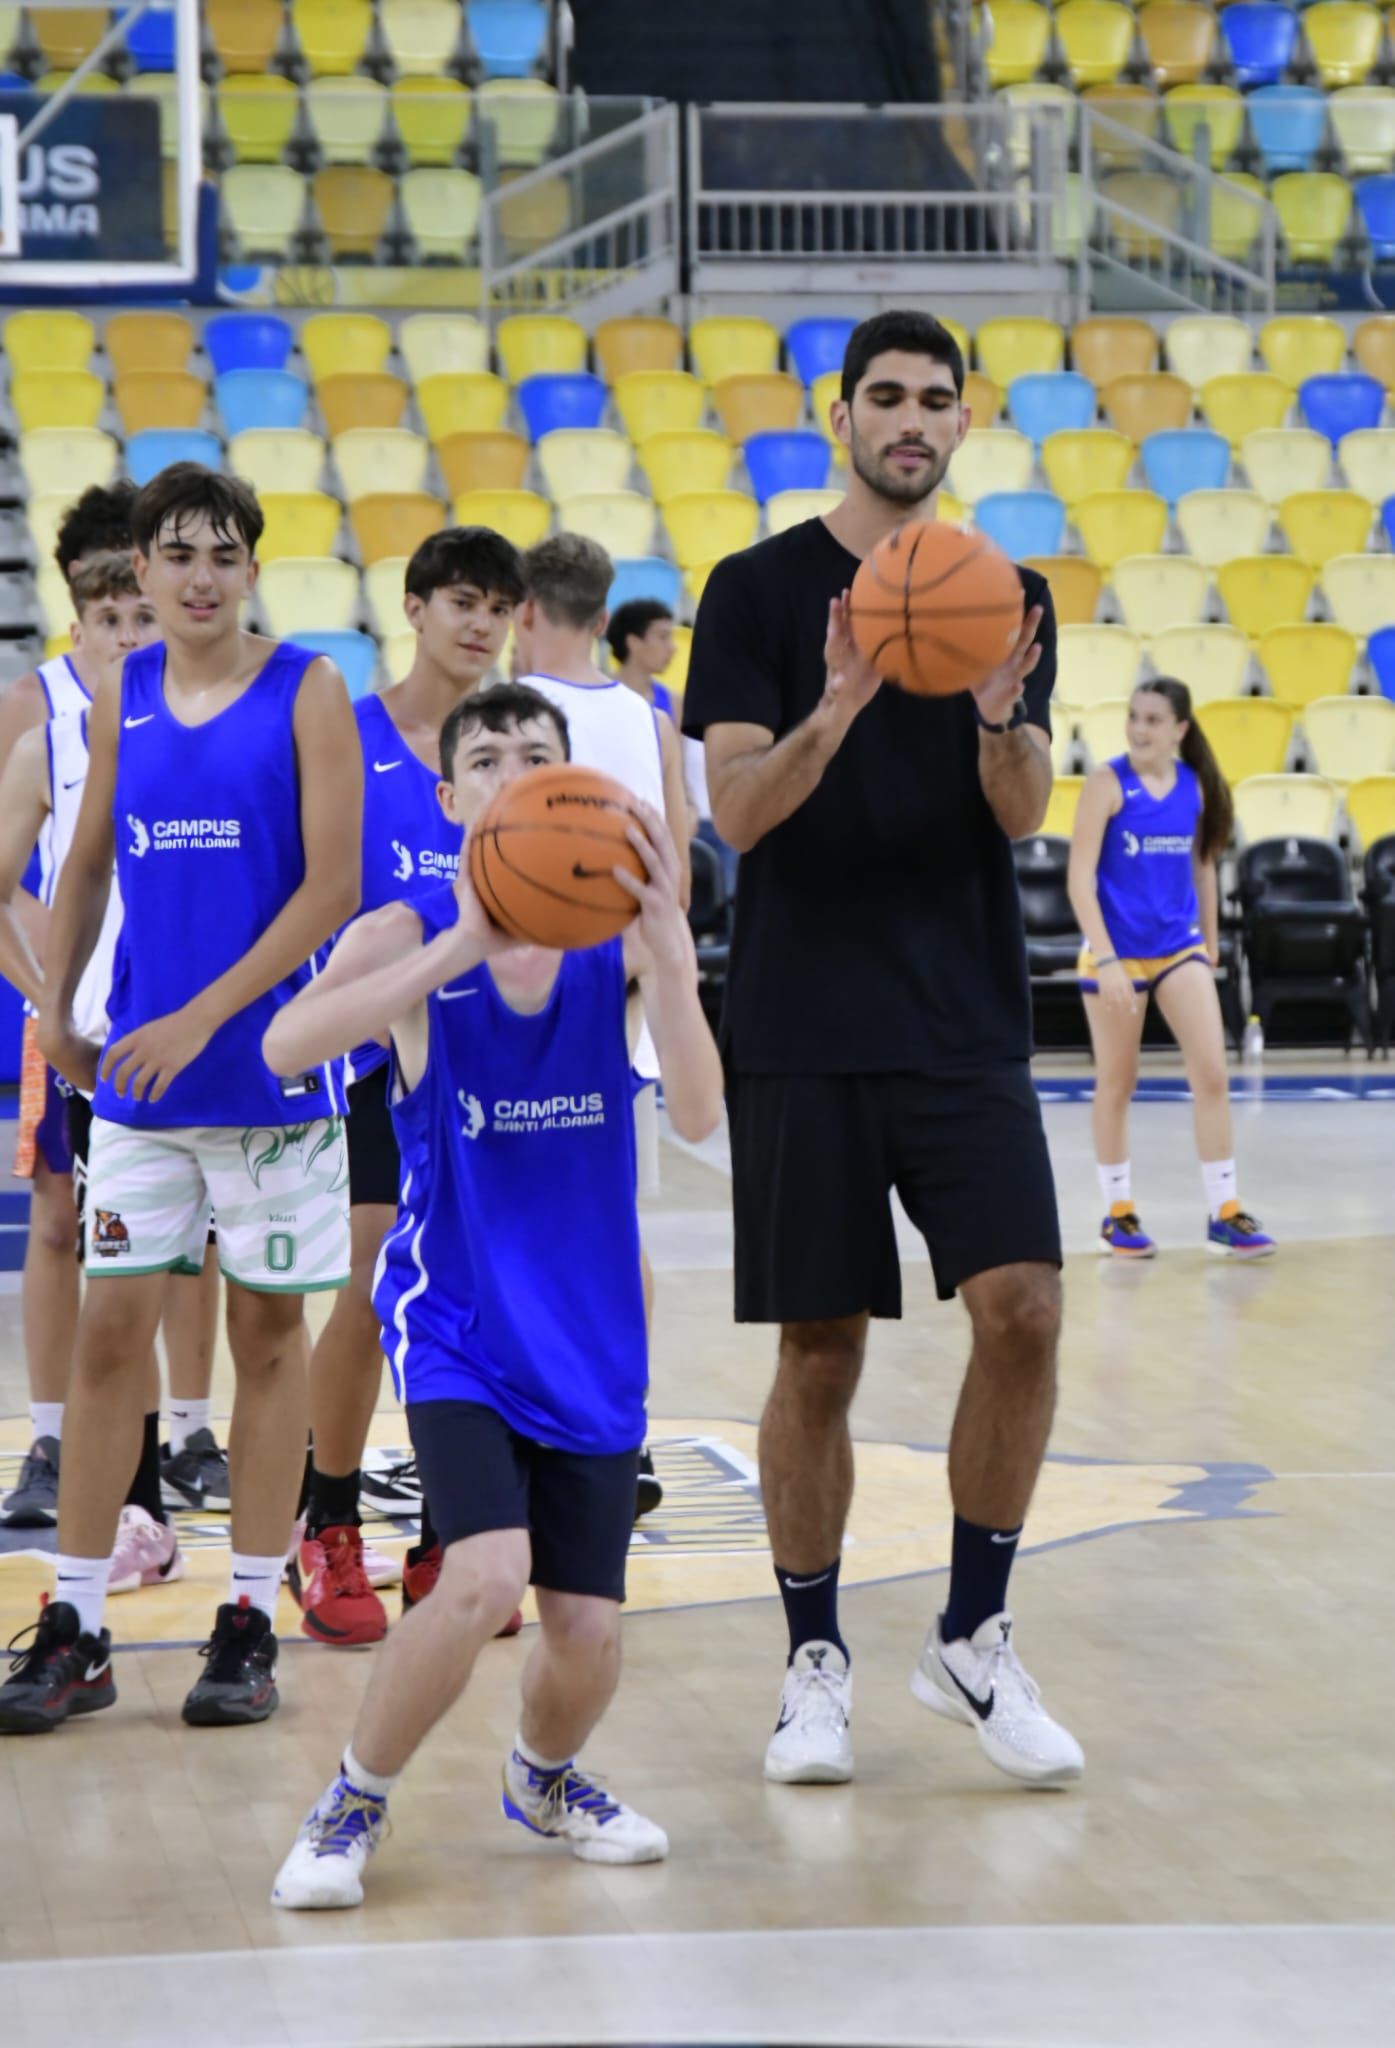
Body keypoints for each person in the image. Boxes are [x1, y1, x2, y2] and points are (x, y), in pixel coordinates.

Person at [683, 309, 1084, 1790]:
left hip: (961, 1014)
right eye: (886, 397)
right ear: (838, 414)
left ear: (963, 423)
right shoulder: (755, 590)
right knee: (820, 1351)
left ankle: (971, 1633)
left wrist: (995, 717)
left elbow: (1022, 810)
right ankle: (813, 1659)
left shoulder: (1007, 593)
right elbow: (737, 813)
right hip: (802, 1020)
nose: (910, 420)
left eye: (935, 400)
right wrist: (841, 701)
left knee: (1025, 1308)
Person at [264, 683, 723, 1908]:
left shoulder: (616, 939)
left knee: (587, 1632)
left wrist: (672, 950)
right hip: (457, 1321)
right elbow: (285, 1046)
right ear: (451, 796)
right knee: (480, 1573)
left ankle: (545, 1775)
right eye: (487, 757)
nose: (513, 771)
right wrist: (454, 947)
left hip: (591, 1333)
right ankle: (350, 1799)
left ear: (571, 786)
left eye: (537, 754)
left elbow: (697, 1111)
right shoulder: (404, 932)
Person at [0, 462, 361, 1737]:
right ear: (140, 570)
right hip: (141, 1085)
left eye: (222, 553)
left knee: (266, 1338)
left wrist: (207, 1014)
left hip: (273, 1078)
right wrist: (57, 1010)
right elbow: (88, 863)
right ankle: (79, 1622)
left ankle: (250, 1614)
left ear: (252, 567)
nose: (200, 576)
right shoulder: (123, 691)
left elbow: (332, 888)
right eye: (177, 554)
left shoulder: (310, 687)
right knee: (109, 1339)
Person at [291, 525, 524, 1649]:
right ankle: (327, 1517)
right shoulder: (349, 734)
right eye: (462, 601)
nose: (481, 624)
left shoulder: (519, 748)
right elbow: (308, 889)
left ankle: (452, 1527)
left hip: (492, 1059)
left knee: (480, 1287)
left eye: (498, 607)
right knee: (371, 1270)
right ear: (416, 607)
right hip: (377, 1056)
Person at [0, 552, 222, 1567]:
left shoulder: (208, 725)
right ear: (78, 629)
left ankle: (200, 1442)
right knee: (91, 1247)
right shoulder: (46, 730)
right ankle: (95, 1472)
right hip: (91, 1038)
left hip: (199, 1031)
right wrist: (48, 1001)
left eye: (143, 617)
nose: (129, 635)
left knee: (210, 1254)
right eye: (110, 619)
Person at [515, 536, 693, 1522]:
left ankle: (528, 1426)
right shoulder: (648, 718)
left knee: (511, 1224)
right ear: (601, 614)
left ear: (525, 608)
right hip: (621, 1002)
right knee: (610, 1226)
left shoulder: (505, 717)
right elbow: (678, 879)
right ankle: (625, 1427)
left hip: (523, 998)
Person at [0, 485, 139, 1527]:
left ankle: (181, 1432)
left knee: (185, 1243)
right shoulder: (34, 706)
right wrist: (47, 989)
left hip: (169, 1005)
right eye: (104, 596)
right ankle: (51, 1436)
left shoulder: (198, 703)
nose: (124, 615)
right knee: (59, 1220)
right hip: (70, 999)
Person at [1068, 678, 1275, 1261]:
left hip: (1177, 946)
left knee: (1212, 1074)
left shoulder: (1194, 787)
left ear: (1180, 729)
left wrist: (1208, 943)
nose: (1139, 728)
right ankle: (1118, 1214)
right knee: (1118, 1081)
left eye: (1153, 719)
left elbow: (1203, 869)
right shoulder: (1106, 783)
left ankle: (1225, 1213)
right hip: (1115, 949)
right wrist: (1107, 958)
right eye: (1134, 716)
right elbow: (1079, 879)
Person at [607, 595, 707, 836]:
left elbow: (677, 770)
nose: (673, 648)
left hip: (662, 819)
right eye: (662, 637)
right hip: (612, 813)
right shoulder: (602, 696)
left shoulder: (673, 701)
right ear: (633, 642)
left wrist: (688, 807)